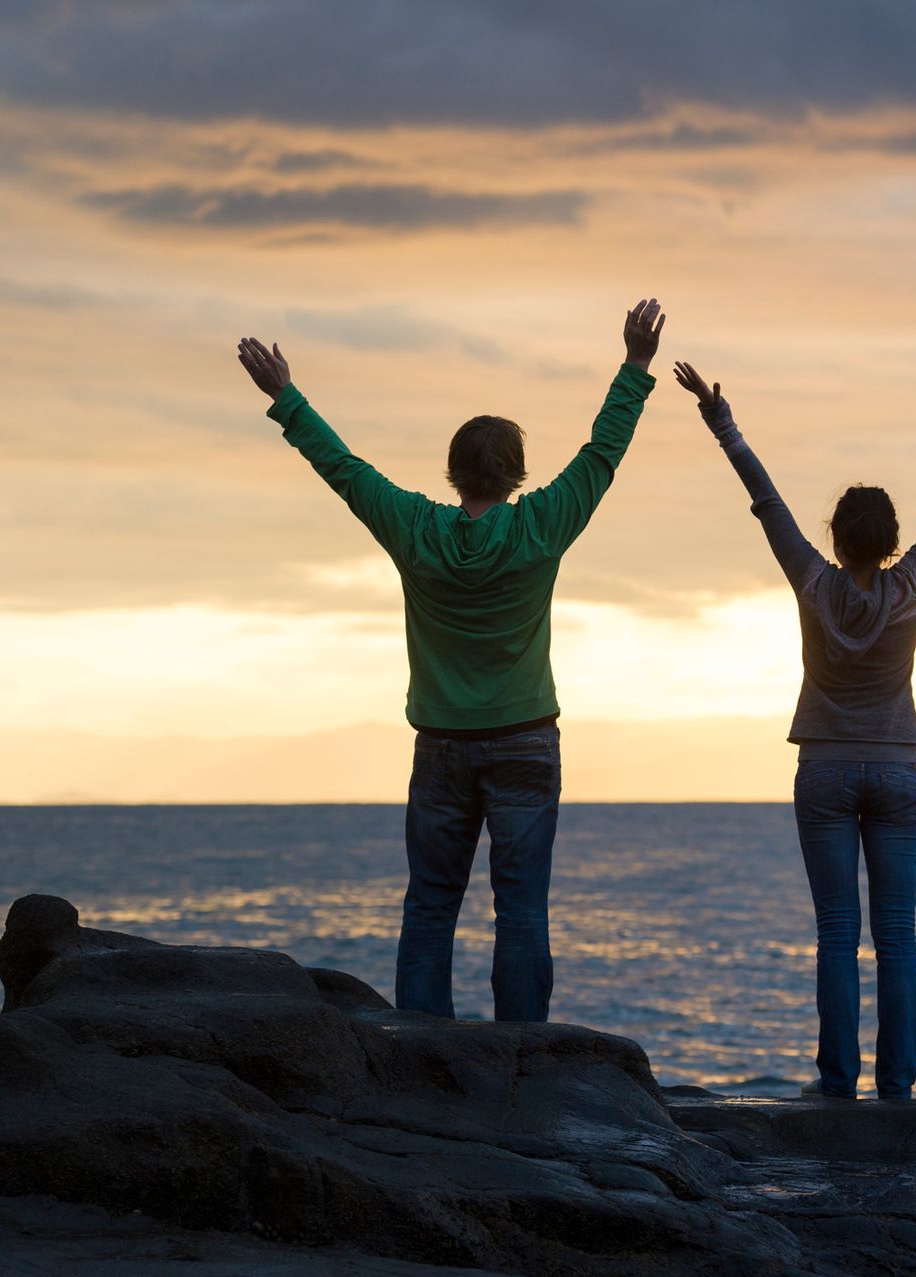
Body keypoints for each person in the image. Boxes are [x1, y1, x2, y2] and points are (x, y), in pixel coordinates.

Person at [236, 299, 666, 1022]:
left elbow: (343, 470)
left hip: (440, 744)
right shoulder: (541, 524)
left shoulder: (416, 529)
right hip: (528, 737)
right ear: (518, 474)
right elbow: (602, 455)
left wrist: (285, 396)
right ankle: (524, 1058)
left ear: (452, 472)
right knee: (522, 910)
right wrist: (635, 365)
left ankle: (421, 1059)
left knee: (431, 906)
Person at [671, 356, 916, 1099]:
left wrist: (722, 421)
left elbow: (767, 501)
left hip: (825, 771)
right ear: (893, 540)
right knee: (897, 936)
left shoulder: (813, 581)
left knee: (837, 933)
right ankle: (897, 1090)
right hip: (898, 771)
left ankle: (837, 1084)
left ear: (836, 539)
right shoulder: (912, 583)